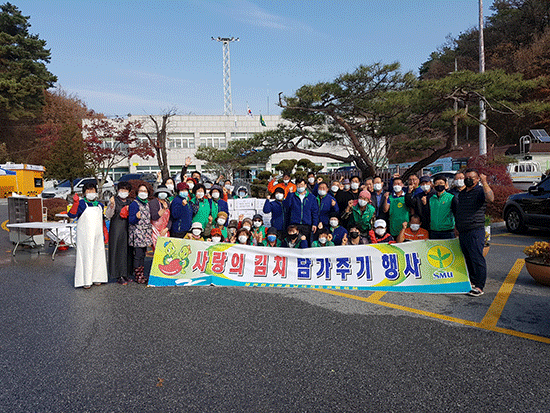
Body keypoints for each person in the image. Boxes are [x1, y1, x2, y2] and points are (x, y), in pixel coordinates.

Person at [455, 169, 494, 297]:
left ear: (477, 179)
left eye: (471, 177)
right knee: (467, 257)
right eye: (466, 177)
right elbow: (460, 211)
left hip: (475, 230)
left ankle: (479, 286)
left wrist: (485, 182)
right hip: (463, 230)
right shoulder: (463, 193)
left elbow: (490, 198)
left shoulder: (480, 191)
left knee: (476, 257)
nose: (468, 179)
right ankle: (472, 281)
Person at [68, 182, 108, 289]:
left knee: (98, 255)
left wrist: (105, 231)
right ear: (84, 193)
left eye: (93, 191)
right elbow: (72, 215)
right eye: (88, 191)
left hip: (97, 235)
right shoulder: (82, 204)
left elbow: (102, 220)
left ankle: (98, 277)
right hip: (85, 236)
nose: (91, 193)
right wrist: (75, 203)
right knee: (87, 255)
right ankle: (86, 279)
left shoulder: (99, 205)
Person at [106, 181, 133, 285]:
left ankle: (126, 273)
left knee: (127, 251)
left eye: (126, 190)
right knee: (117, 251)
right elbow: (108, 215)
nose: (123, 192)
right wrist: (112, 205)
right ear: (117, 190)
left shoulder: (130, 202)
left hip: (127, 228)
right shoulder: (114, 200)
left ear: (129, 192)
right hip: (116, 229)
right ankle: (118, 275)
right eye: (121, 189)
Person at [128, 183, 153, 284]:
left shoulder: (147, 203)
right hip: (137, 233)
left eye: (145, 191)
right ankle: (137, 275)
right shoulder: (134, 204)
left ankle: (142, 274)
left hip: (145, 233)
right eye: (141, 191)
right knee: (138, 255)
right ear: (137, 192)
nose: (143, 193)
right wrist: (136, 217)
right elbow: (130, 220)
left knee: (143, 254)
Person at [283, 178, 319, 242]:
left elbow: (315, 212)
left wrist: (315, 223)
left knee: (305, 242)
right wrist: (289, 194)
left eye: (302, 185)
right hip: (294, 224)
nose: (300, 187)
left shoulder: (311, 197)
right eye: (298, 185)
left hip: (306, 224)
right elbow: (286, 206)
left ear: (305, 185)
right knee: (295, 243)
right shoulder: (292, 196)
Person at [150, 185, 172, 250]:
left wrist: (167, 228)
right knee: (157, 251)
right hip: (155, 231)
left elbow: (171, 218)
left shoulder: (168, 204)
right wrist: (163, 210)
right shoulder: (153, 203)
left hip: (165, 231)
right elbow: (154, 217)